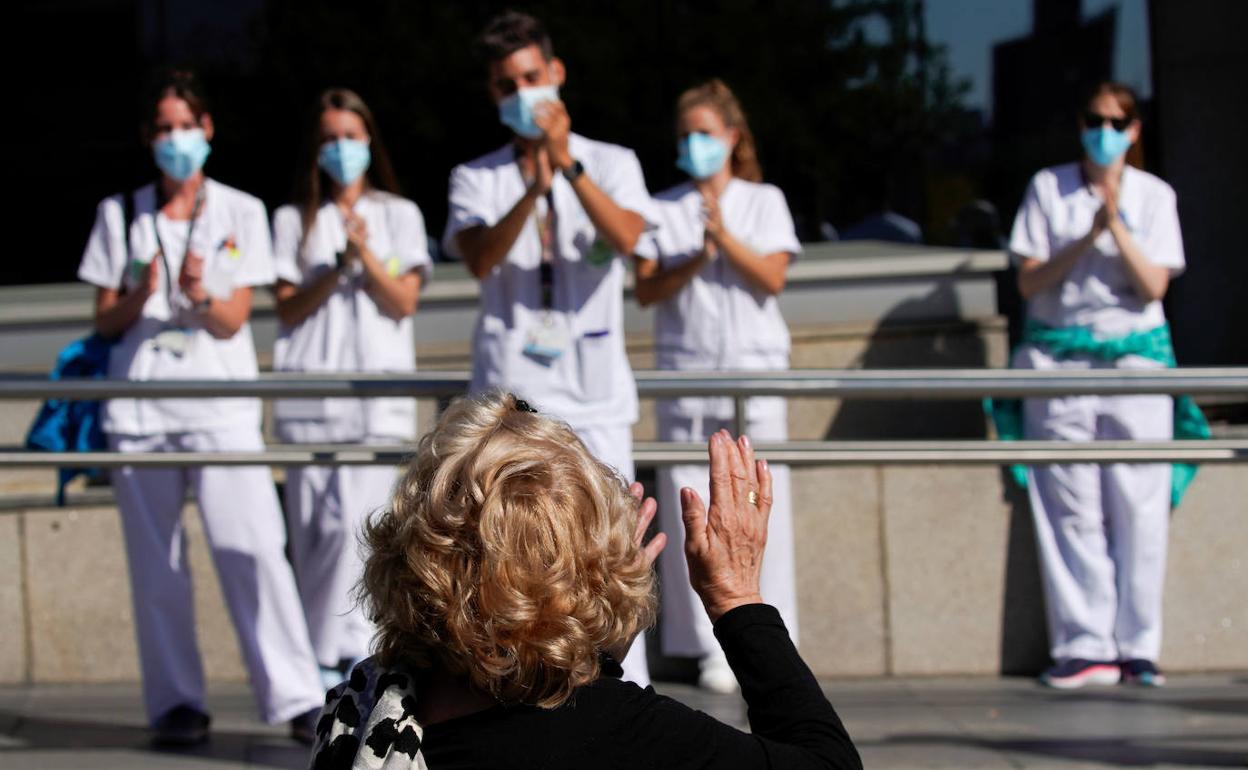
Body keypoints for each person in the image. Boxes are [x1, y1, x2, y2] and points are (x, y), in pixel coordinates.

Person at [308, 391, 863, 769]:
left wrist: (595, 648)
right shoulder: (618, 734)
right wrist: (736, 598)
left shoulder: (361, 708)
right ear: (586, 565)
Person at [76, 69, 323, 744]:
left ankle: (297, 697)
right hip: (141, 409)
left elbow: (236, 315)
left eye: (186, 125)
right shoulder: (120, 213)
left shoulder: (240, 210)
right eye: (163, 128)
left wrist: (200, 295)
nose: (175, 139)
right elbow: (103, 321)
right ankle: (176, 703)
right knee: (158, 566)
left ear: (208, 129)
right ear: (148, 138)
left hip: (220, 404)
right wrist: (141, 293)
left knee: (252, 550)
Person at [441, 11, 655, 684]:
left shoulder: (613, 162)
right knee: (511, 559)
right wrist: (533, 186)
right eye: (508, 84)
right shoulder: (476, 177)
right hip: (513, 399)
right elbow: (478, 258)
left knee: (615, 558)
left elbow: (627, 239)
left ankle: (628, 691)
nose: (523, 92)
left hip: (595, 395)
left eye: (532, 77)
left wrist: (569, 169)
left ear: (556, 75)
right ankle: (521, 697)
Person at [1009, 81, 1187, 689]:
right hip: (1060, 359)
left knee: (1139, 503)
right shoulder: (1047, 187)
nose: (1103, 130)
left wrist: (1117, 229)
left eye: (1117, 121)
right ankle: (1085, 646)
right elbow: (1030, 284)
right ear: (1079, 123)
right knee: (1070, 504)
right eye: (1094, 119)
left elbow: (1155, 287)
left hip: (1135, 359)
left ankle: (1138, 645)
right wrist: (1086, 235)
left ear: (1135, 129)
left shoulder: (1155, 195)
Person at [634, 79, 801, 693]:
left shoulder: (765, 200)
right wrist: (698, 256)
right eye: (685, 136)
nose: (694, 145)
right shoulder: (663, 206)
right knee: (691, 511)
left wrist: (724, 238)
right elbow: (648, 288)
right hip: (687, 370)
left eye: (705, 133)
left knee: (760, 502)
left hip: (753, 370)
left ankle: (770, 630)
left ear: (732, 137)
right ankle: (709, 646)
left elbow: (774, 276)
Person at [271, 88, 431, 688]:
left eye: (351, 136)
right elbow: (286, 308)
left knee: (358, 530)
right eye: (329, 139)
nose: (341, 149)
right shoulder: (293, 220)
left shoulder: (399, 214)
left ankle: (347, 653)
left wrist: (366, 254)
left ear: (370, 142)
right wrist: (336, 265)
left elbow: (405, 299)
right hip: (311, 399)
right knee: (315, 535)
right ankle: (317, 655)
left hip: (376, 400)